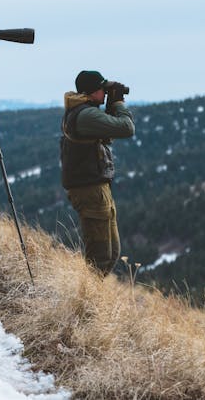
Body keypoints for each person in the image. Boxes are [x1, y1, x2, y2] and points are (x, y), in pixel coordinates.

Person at [60, 70, 135, 275]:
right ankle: (85, 300)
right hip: (89, 189)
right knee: (99, 257)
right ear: (93, 91)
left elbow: (107, 131)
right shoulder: (86, 114)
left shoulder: (84, 111)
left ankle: (92, 294)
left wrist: (110, 103)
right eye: (103, 89)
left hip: (96, 187)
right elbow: (127, 128)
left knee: (111, 253)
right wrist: (118, 103)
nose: (105, 92)